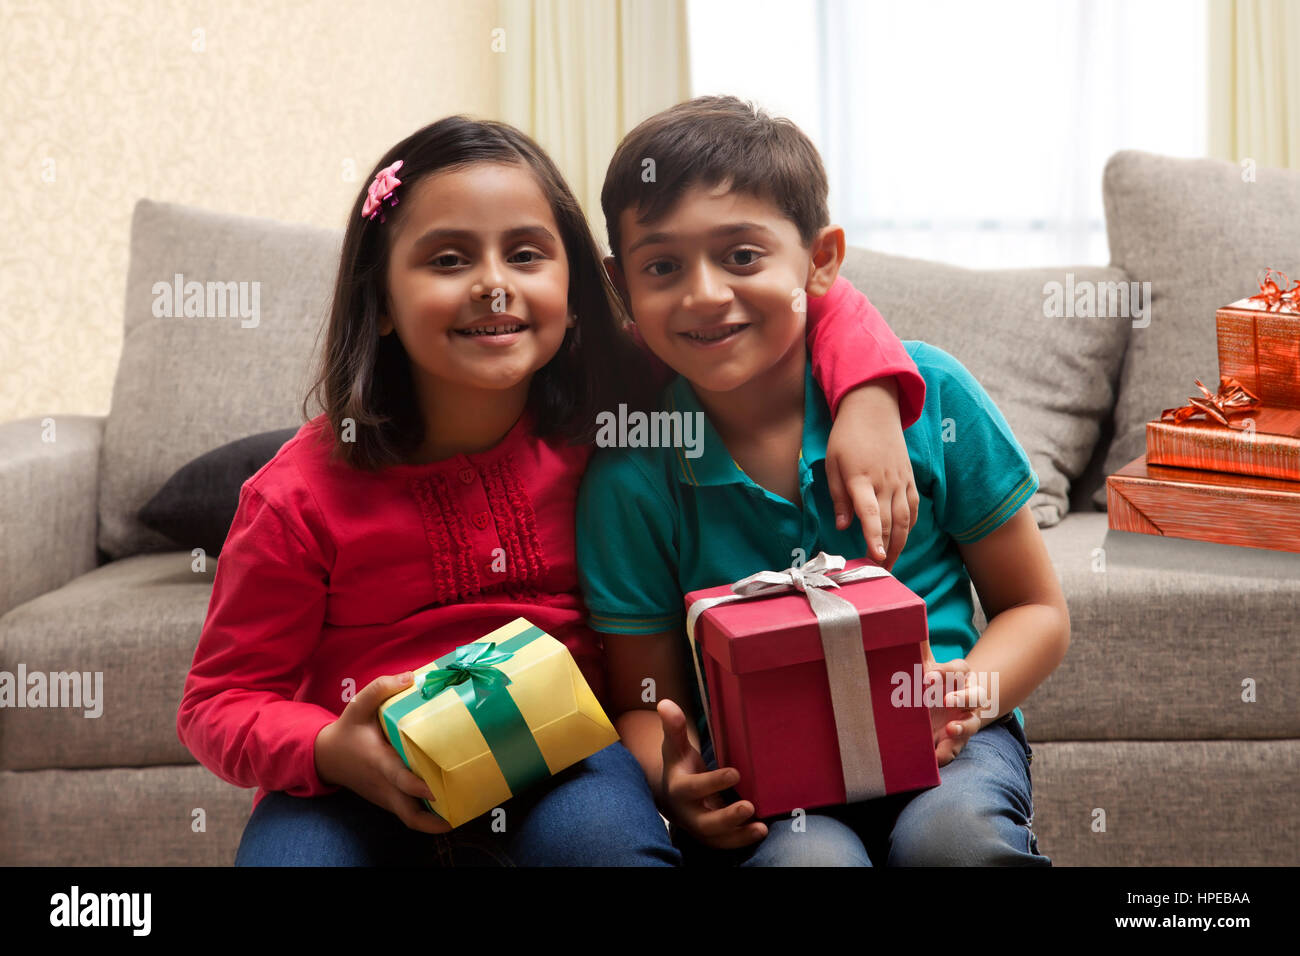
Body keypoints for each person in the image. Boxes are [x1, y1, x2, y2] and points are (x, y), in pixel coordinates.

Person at [175, 113, 926, 866]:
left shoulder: (615, 405)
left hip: (563, 755)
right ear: (378, 302)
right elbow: (216, 703)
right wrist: (331, 749)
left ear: (579, 289)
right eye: (447, 259)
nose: (494, 285)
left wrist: (868, 394)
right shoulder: (295, 495)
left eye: (527, 254)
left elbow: (794, 300)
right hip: (356, 779)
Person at [577, 95, 1071, 865]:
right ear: (620, 283)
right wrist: (677, 784)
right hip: (762, 780)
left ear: (820, 259)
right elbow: (644, 701)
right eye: (663, 266)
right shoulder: (632, 470)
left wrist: (970, 690)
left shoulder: (930, 395)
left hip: (946, 746)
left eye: (742, 255)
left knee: (957, 841)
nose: (704, 292)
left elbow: (1037, 609)